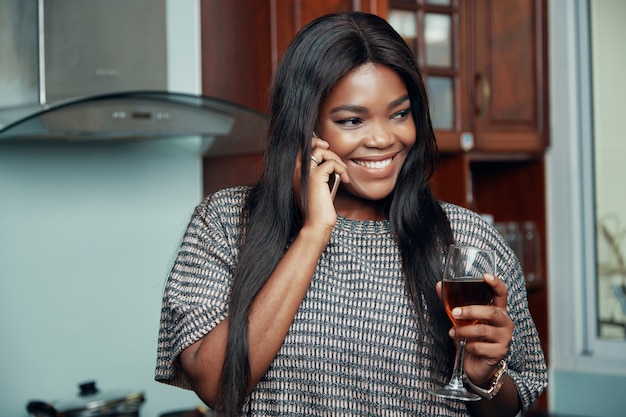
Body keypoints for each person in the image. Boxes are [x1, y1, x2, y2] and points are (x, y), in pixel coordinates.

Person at [155, 11, 547, 416]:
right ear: (305, 125)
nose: (383, 139)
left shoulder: (466, 237)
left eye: (399, 113)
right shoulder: (225, 222)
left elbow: (514, 402)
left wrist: (484, 379)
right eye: (352, 120)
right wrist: (314, 231)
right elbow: (218, 387)